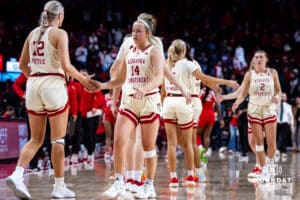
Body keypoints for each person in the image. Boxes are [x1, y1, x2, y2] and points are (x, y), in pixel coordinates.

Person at [5, 1, 97, 199]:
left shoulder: (32, 33)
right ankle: (59, 187)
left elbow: (22, 64)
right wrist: (84, 80)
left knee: (36, 139)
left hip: (34, 84)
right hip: (53, 84)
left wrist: (37, 77)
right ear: (60, 15)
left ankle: (17, 174)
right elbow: (66, 65)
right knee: (58, 140)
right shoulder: (59, 33)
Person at [99, 16, 165, 199]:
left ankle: (149, 185)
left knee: (148, 147)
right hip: (129, 100)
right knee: (119, 141)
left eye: (139, 31)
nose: (134, 34)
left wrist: (144, 89)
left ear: (148, 34)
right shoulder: (128, 51)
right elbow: (120, 79)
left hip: (149, 101)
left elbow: (159, 78)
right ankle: (119, 181)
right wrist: (103, 86)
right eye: (133, 30)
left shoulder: (154, 51)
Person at [161, 39, 238, 187]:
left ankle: (183, 175)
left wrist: (161, 104)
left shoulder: (167, 63)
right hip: (188, 101)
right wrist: (225, 83)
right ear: (185, 51)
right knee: (188, 142)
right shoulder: (190, 64)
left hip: (176, 102)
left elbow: (164, 89)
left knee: (180, 142)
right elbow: (205, 79)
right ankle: (194, 172)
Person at [232, 50, 281, 179]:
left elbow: (279, 91)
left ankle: (270, 166)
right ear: (254, 60)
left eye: (261, 57)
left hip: (268, 109)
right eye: (256, 57)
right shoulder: (249, 75)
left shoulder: (273, 73)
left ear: (266, 59)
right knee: (257, 142)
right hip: (254, 110)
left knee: (271, 143)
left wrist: (277, 97)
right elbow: (242, 94)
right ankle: (263, 169)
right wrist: (236, 103)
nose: (258, 59)